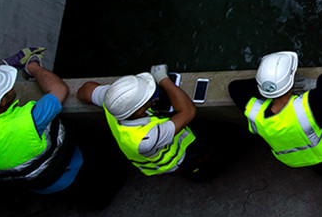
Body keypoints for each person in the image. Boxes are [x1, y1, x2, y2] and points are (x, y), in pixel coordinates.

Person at [229, 50, 322, 217]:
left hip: (296, 158)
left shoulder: (253, 111)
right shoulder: (312, 104)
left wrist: (269, 86)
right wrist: (312, 84)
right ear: (292, 81)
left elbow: (234, 87)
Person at [0, 48, 96, 201]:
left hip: (39, 185)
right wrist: (33, 66)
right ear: (2, 102)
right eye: (7, 87)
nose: (12, 86)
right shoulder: (28, 121)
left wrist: (3, 68)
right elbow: (59, 89)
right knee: (99, 185)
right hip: (70, 167)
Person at [77, 64, 232, 180]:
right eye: (149, 98)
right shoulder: (146, 138)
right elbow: (188, 112)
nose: (153, 97)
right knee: (206, 163)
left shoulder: (113, 102)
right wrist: (163, 80)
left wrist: (110, 91)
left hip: (158, 145)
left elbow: (84, 91)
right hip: (181, 157)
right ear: (138, 111)